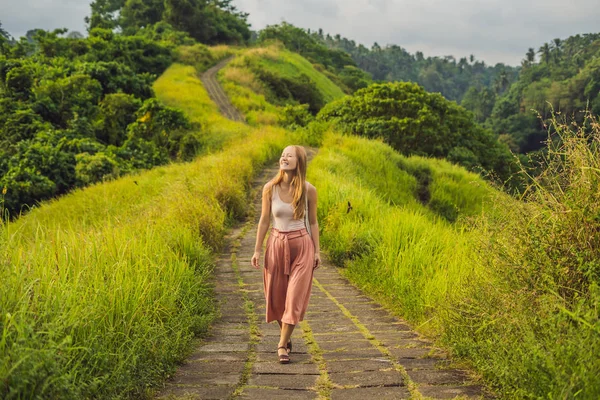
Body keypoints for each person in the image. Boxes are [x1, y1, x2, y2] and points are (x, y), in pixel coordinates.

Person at [251, 145, 321, 364]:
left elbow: (313, 221)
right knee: (277, 298)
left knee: (294, 297)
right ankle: (286, 336)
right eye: (282, 155)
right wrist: (256, 249)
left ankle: (282, 345)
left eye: (289, 155)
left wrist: (317, 250)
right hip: (276, 243)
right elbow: (264, 220)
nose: (284, 158)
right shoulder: (269, 188)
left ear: (298, 161)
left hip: (302, 245)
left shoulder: (309, 189)